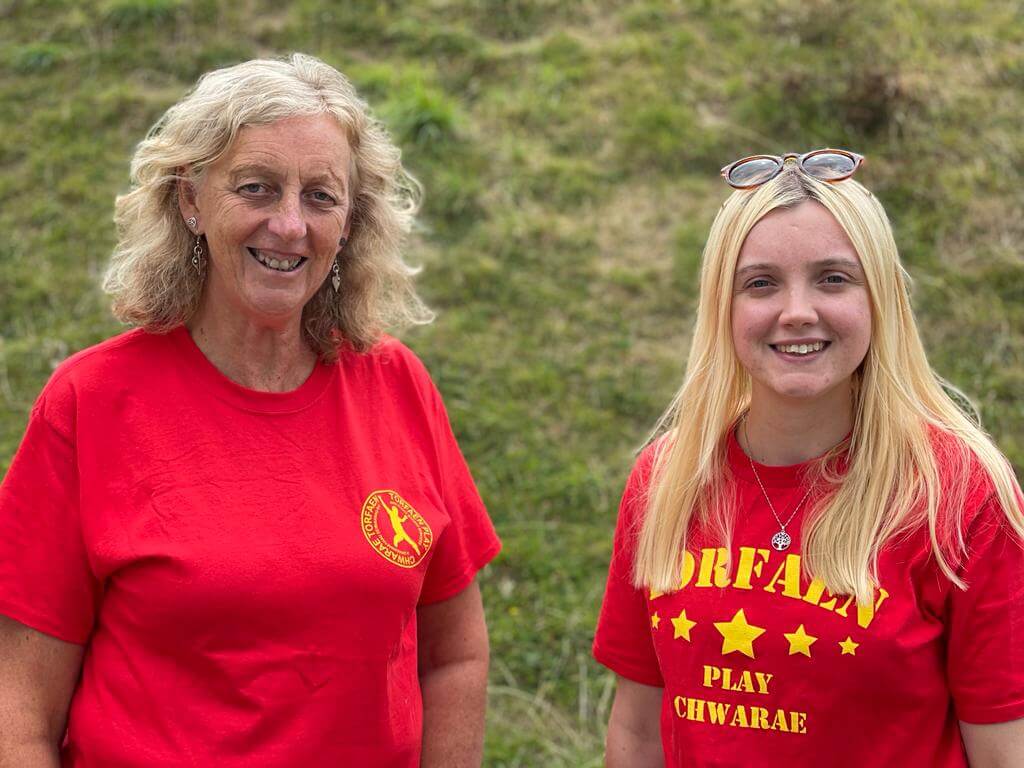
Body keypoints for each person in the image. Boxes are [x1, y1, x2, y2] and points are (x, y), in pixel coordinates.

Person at [0, 53, 500, 767]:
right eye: (257, 188)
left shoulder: (397, 385)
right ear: (191, 200)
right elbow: (18, 712)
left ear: (351, 222)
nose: (290, 225)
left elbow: (456, 655)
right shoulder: (89, 405)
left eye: (321, 197)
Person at [593, 149, 1024, 767]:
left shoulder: (959, 493)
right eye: (761, 283)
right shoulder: (666, 482)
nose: (797, 311)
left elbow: (1005, 752)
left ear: (880, 301)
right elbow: (636, 732)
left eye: (833, 278)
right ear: (723, 307)